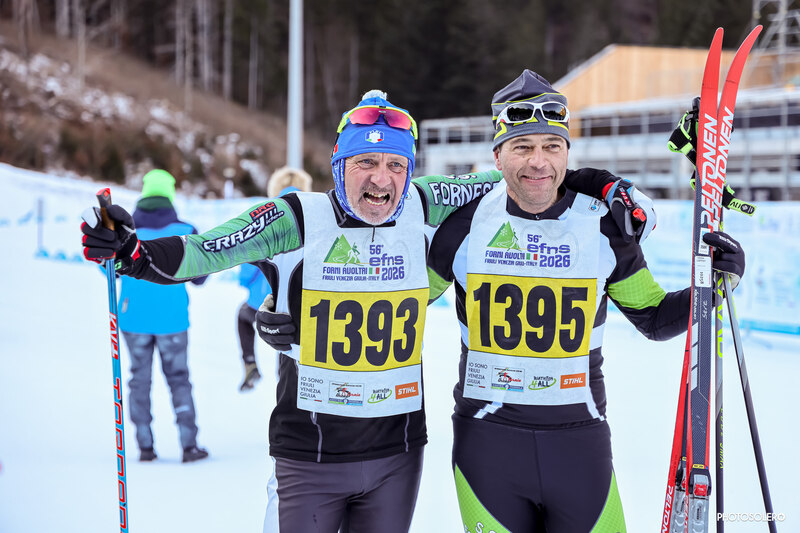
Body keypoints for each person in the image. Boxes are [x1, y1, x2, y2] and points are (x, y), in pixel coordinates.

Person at [80, 90, 652, 532]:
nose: (382, 179)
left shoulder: (426, 203)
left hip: (396, 458)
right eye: (365, 162)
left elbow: (529, 171)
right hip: (309, 456)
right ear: (338, 164)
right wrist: (133, 252)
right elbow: (205, 250)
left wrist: (606, 187)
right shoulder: (297, 217)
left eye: (396, 165)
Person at [424, 70, 746, 532]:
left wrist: (712, 288)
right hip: (487, 449)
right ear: (498, 154)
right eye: (522, 146)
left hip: (579, 445)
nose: (538, 161)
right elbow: (399, 302)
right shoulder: (463, 226)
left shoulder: (602, 224)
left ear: (567, 152)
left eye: (551, 146)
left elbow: (654, 317)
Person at [90, 169, 210, 463]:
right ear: (170, 193)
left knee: (139, 380)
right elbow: (200, 277)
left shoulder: (124, 233)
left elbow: (109, 271)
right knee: (179, 379)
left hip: (133, 318)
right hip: (173, 319)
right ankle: (189, 445)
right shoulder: (186, 230)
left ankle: (145, 446)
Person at [237, 166, 312, 392]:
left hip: (266, 297)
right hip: (302, 300)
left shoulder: (264, 216)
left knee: (243, 316)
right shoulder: (314, 215)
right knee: (289, 351)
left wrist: (247, 281)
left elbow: (248, 266)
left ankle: (250, 362)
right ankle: (287, 383)